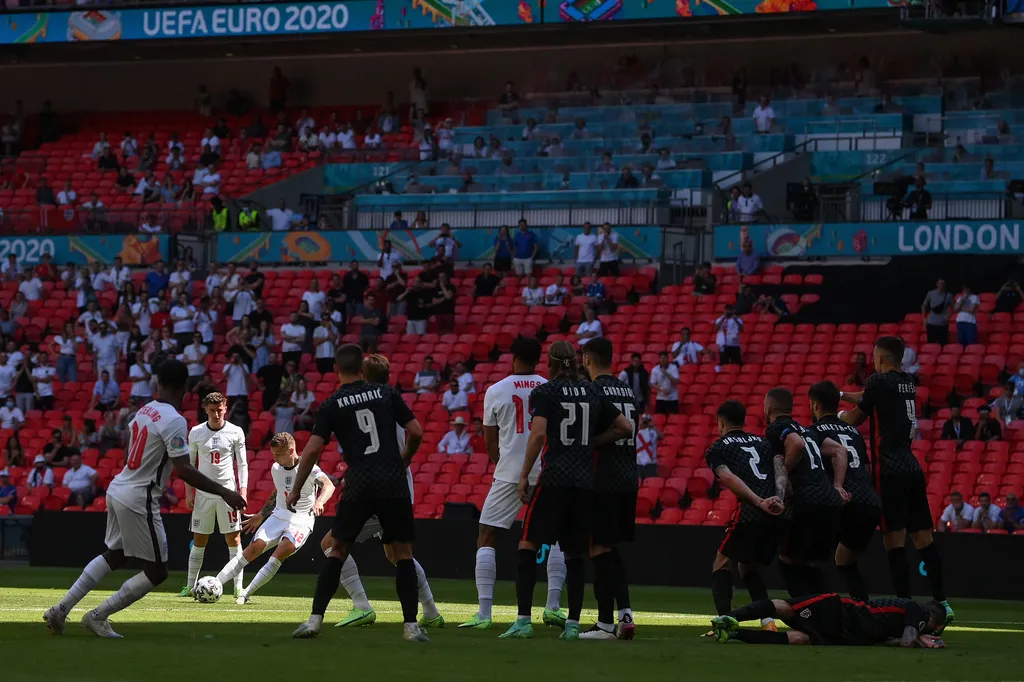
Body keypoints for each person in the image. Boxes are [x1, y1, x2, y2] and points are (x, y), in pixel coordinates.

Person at [44, 360, 246, 639]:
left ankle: (61, 609)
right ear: (184, 388)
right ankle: (97, 616)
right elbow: (183, 469)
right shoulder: (174, 420)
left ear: (158, 383)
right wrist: (225, 491)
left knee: (114, 554)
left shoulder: (144, 411)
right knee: (157, 571)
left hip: (118, 488)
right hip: (140, 496)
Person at [289, 344, 428, 642]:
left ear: (337, 369)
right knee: (403, 554)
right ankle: (411, 627)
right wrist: (403, 460)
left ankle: (315, 621)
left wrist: (297, 488)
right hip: (392, 481)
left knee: (336, 548)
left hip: (360, 482)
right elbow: (416, 431)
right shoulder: (386, 394)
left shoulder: (332, 404)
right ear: (362, 370)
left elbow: (313, 448)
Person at [499, 340, 631, 641]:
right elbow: (625, 427)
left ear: (551, 362)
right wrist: (592, 443)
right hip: (584, 483)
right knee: (574, 554)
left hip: (555, 478)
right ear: (575, 361)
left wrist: (523, 476)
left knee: (527, 545)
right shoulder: (592, 391)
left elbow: (539, 435)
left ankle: (522, 620)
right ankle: (572, 624)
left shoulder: (545, 392)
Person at [840, 336, 953, 628]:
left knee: (894, 541)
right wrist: (841, 393)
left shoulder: (878, 381)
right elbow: (869, 398)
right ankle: (942, 602)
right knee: (924, 539)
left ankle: (905, 607)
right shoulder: (906, 382)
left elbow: (856, 418)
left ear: (881, 358)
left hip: (888, 469)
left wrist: (836, 413)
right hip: (911, 466)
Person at [326, 354, 442, 630]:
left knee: (331, 544)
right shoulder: (393, 401)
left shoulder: (369, 403)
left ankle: (361, 606)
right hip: (400, 487)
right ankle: (432, 612)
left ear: (363, 376)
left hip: (378, 489)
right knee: (398, 554)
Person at [459, 337, 567, 630]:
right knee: (557, 537)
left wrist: (507, 466)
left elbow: (490, 444)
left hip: (509, 472)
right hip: (548, 471)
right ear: (538, 358)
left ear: (513, 356)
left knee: (487, 536)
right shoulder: (551, 388)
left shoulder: (496, 391)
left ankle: (484, 613)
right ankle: (553, 608)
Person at [213, 432, 334, 604]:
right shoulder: (276, 468)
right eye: (273, 454)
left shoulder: (309, 468)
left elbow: (328, 485)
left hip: (301, 520)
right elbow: (278, 491)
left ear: (291, 451)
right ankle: (216, 583)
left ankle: (245, 594)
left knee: (279, 552)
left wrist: (320, 501)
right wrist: (261, 515)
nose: (275, 458)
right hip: (279, 515)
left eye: (278, 454)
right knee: (253, 548)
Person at [703, 400, 786, 634]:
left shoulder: (718, 448)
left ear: (721, 422)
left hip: (751, 511)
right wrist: (777, 498)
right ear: (744, 420)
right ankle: (768, 621)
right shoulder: (764, 443)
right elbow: (781, 468)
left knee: (721, 561)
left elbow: (727, 477)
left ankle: (724, 620)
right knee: (748, 567)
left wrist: (759, 501)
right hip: (778, 512)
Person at [579, 338, 638, 640]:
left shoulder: (594, 390)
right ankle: (625, 613)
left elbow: (608, 431)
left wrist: (588, 443)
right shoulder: (626, 389)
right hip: (629, 475)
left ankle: (604, 624)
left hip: (604, 477)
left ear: (588, 358)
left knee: (598, 548)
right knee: (611, 548)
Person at [764, 387, 847, 598]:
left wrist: (784, 473)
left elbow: (796, 444)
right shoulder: (808, 430)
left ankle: (806, 614)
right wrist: (838, 485)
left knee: (787, 563)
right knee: (810, 566)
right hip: (829, 500)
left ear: (769, 408)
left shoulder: (777, 428)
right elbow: (839, 450)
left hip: (806, 500)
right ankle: (830, 614)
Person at [808, 381, 882, 602]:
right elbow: (867, 469)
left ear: (815, 405)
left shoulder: (813, 432)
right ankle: (864, 609)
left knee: (806, 559)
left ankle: (822, 610)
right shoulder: (854, 432)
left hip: (841, 501)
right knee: (845, 562)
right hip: (869, 501)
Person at [181, 392, 249, 598]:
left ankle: (238, 587)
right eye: (212, 410)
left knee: (234, 540)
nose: (216, 414)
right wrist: (188, 492)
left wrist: (242, 491)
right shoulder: (196, 432)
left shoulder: (236, 432)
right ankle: (190, 586)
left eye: (219, 410)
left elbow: (243, 464)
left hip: (228, 494)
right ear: (205, 409)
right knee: (199, 540)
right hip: (203, 494)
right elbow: (189, 465)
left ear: (225, 408)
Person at [711, 595, 948, 648]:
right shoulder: (919, 611)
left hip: (848, 634)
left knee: (800, 639)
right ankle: (732, 617)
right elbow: (908, 642)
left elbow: (894, 642)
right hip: (839, 609)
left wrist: (915, 638)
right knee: (786, 608)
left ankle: (733, 634)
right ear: (936, 624)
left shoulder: (901, 624)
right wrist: (922, 639)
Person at [921, 279, 953, 346]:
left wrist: (949, 315)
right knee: (931, 344)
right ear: (937, 284)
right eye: (939, 283)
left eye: (942, 283)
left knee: (943, 344)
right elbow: (924, 305)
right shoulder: (930, 293)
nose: (941, 285)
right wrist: (924, 318)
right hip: (931, 323)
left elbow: (954, 307)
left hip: (943, 324)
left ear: (945, 285)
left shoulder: (949, 295)